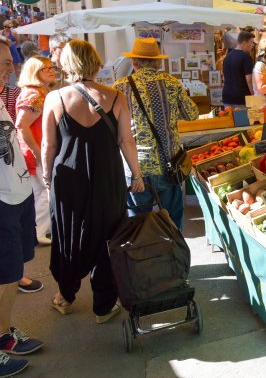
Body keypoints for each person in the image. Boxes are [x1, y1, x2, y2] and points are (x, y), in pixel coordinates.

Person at [41, 40, 144, 322]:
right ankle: (103, 304)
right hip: (107, 178)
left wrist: (47, 176)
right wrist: (136, 174)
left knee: (68, 235)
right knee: (107, 236)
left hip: (67, 179)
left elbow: (48, 146)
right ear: (96, 63)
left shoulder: (55, 98)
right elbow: (126, 140)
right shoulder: (116, 96)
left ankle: (65, 296)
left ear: (66, 64)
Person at [114, 38, 198, 229]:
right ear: (158, 62)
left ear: (134, 62)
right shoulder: (171, 82)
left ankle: (143, 256)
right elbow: (192, 114)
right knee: (172, 218)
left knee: (138, 222)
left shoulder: (120, 87)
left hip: (135, 166)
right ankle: (175, 254)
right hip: (168, 164)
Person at [0, 36, 44, 376]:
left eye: (9, 64)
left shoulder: (4, 97)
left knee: (11, 274)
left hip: (15, 193)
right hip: (2, 200)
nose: (7, 70)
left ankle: (4, 334)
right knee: (4, 275)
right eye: (1, 64)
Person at [15, 56, 57, 246]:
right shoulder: (35, 95)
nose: (51, 70)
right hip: (37, 151)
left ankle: (34, 232)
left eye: (51, 67)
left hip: (34, 150)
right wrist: (38, 152)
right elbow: (22, 125)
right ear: (34, 72)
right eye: (44, 68)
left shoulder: (38, 92)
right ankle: (38, 232)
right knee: (49, 191)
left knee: (40, 192)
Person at [221, 31, 255, 107]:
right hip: (242, 98)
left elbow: (224, 78)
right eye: (251, 43)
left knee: (230, 119)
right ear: (244, 43)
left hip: (227, 96)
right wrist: (253, 94)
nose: (252, 45)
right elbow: (249, 79)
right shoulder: (246, 57)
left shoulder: (227, 57)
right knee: (243, 119)